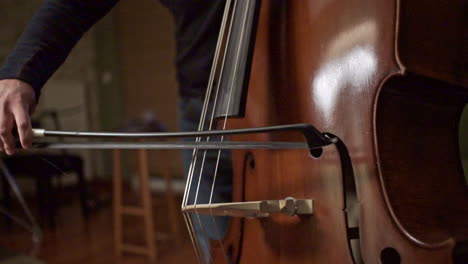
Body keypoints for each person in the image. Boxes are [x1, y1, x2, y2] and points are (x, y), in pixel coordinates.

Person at [0, 0, 232, 262]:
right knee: (219, 247)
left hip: (279, 105)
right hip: (201, 102)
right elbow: (71, 6)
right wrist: (19, 74)